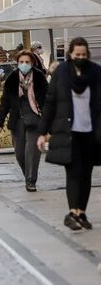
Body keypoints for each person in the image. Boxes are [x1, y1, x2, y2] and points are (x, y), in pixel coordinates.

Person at [37, 37, 101, 231]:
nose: (80, 57)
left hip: (91, 132)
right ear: (70, 55)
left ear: (87, 54)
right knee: (73, 173)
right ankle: (72, 212)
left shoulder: (96, 72)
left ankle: (81, 212)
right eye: (76, 55)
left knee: (86, 174)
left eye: (83, 55)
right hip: (68, 132)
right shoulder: (62, 73)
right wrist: (42, 132)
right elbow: (50, 103)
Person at [0, 50, 48, 192]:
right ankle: (28, 175)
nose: (24, 65)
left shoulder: (39, 77)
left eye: (27, 62)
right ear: (17, 63)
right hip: (17, 119)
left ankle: (31, 181)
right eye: (21, 62)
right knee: (19, 153)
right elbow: (4, 101)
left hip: (35, 118)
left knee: (32, 151)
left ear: (32, 63)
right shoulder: (12, 78)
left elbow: (46, 101)